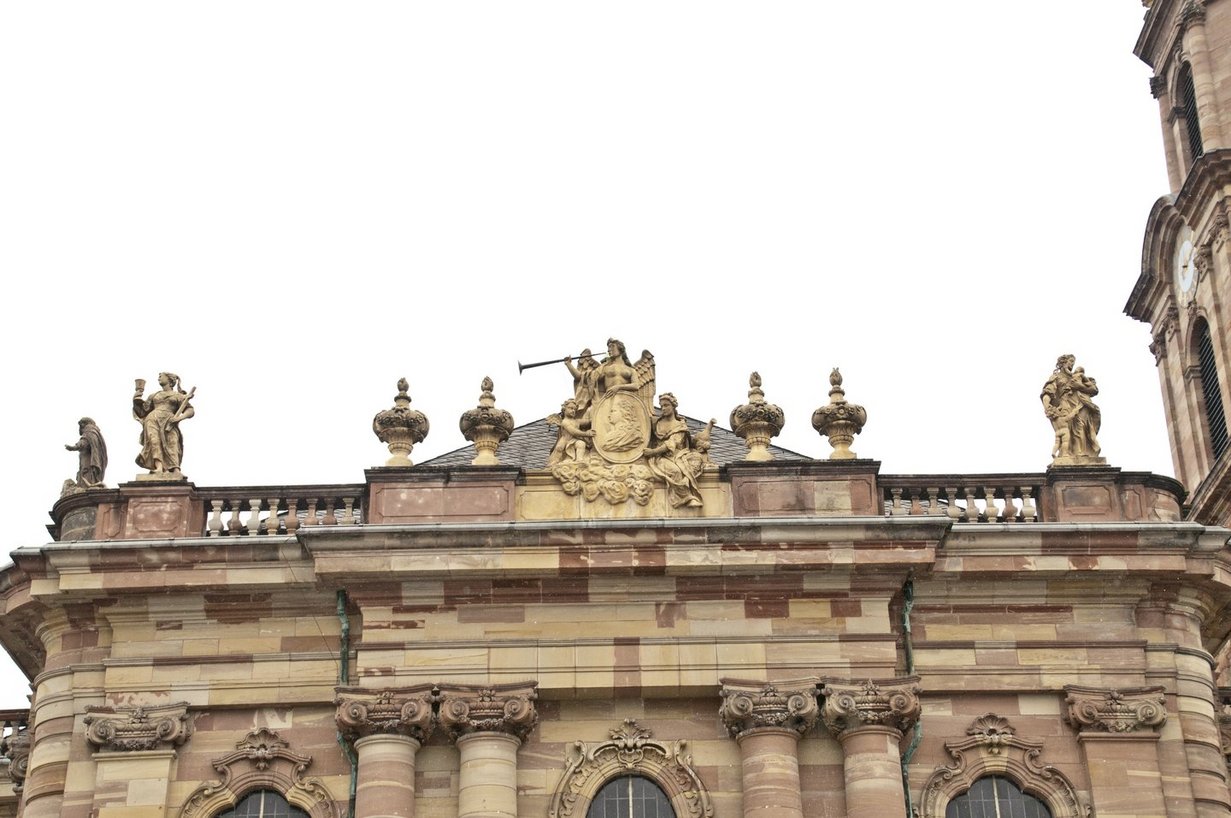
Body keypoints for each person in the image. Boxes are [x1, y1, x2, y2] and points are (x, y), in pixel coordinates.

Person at [643, 393, 704, 508]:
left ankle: (686, 485)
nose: (663, 408)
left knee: (696, 460)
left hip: (678, 454)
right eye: (661, 406)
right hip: (661, 457)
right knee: (675, 471)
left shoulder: (680, 425)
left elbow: (672, 443)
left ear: (673, 406)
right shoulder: (656, 423)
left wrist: (652, 452)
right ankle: (687, 498)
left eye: (666, 405)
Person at [1041, 355, 1101, 461]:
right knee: (1066, 431)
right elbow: (1047, 392)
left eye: (1073, 362)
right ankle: (1067, 454)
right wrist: (1047, 406)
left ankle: (1081, 453)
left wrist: (1079, 386)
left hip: (1081, 405)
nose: (1072, 364)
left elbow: (1094, 390)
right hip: (1065, 407)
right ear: (1063, 363)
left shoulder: (1077, 377)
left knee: (1081, 427)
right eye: (1070, 361)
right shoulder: (1056, 377)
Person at [133, 373, 195, 475]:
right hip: (152, 420)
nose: (158, 378)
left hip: (169, 421)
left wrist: (179, 418)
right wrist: (137, 397)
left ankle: (175, 469)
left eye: (161, 376)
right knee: (154, 442)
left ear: (170, 380)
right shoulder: (154, 395)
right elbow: (143, 411)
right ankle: (159, 467)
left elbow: (190, 410)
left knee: (172, 442)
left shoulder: (178, 396)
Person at [547, 399, 596, 466]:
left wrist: (594, 416)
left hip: (574, 439)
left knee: (581, 444)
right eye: (570, 408)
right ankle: (555, 461)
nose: (573, 411)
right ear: (564, 409)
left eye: (575, 409)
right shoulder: (565, 422)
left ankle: (579, 459)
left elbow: (587, 422)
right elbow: (574, 432)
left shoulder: (576, 421)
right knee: (559, 447)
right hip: (566, 439)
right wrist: (586, 434)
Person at [65, 417, 107, 488]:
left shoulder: (89, 431)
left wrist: (73, 447)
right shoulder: (94, 432)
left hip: (88, 461)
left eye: (81, 424)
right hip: (87, 458)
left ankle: (88, 486)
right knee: (85, 473)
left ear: (84, 424)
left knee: (86, 473)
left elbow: (84, 443)